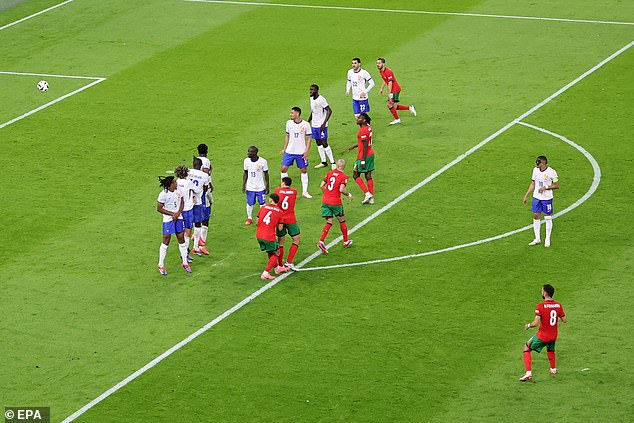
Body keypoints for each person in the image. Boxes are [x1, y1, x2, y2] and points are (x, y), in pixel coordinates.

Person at [520, 284, 567, 381]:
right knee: (550, 350)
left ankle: (528, 373)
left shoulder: (540, 306)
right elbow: (564, 320)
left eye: (542, 291)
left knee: (526, 348)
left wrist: (528, 325)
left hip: (543, 335)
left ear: (545, 293)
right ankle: (553, 369)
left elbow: (536, 323)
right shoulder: (558, 305)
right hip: (553, 335)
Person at [156, 176, 191, 275]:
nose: (177, 183)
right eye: (175, 182)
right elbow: (159, 208)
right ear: (171, 184)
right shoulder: (163, 195)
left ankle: (185, 262)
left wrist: (178, 213)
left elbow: (182, 202)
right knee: (166, 240)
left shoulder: (178, 190)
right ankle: (161, 264)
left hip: (178, 218)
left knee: (181, 239)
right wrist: (172, 214)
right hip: (168, 219)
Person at [317, 159, 354, 254]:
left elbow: (321, 186)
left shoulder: (329, 173)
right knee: (342, 220)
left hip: (325, 201)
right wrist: (349, 194)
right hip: (335, 202)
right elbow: (341, 189)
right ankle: (346, 241)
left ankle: (321, 241)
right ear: (344, 167)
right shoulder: (344, 176)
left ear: (337, 166)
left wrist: (327, 194)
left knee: (329, 222)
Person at [522, 156, 560, 247]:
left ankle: (547, 238)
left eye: (538, 163)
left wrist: (546, 187)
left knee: (547, 217)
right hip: (536, 197)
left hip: (547, 198)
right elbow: (533, 183)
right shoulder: (535, 170)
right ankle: (537, 238)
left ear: (543, 163)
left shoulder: (552, 172)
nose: (536, 165)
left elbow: (557, 185)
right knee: (536, 215)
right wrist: (526, 195)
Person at [280, 106, 312, 198]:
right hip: (290, 151)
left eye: (292, 113)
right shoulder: (288, 123)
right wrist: (284, 148)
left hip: (301, 152)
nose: (290, 114)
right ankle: (283, 188)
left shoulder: (306, 124)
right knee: (283, 169)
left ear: (297, 114)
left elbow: (309, 138)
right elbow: (287, 135)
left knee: (303, 170)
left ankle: (305, 192)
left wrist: (306, 151)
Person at [255, 193, 289, 280]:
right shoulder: (280, 212)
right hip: (269, 236)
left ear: (270, 200)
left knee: (271, 251)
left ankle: (277, 268)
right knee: (277, 252)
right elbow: (280, 228)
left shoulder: (263, 208)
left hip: (259, 235)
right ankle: (265, 273)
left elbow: (257, 222)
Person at [376, 58, 417, 125]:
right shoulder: (381, 71)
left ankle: (397, 119)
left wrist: (389, 93)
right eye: (377, 63)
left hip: (395, 90)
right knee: (394, 106)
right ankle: (410, 108)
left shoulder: (388, 71)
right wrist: (381, 88)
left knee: (390, 104)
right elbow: (384, 79)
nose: (378, 64)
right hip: (393, 90)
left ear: (383, 64)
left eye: (379, 63)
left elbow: (390, 83)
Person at [347, 112, 375, 205]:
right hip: (370, 154)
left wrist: (362, 159)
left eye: (360, 118)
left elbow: (365, 143)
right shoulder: (368, 127)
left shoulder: (362, 130)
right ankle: (371, 197)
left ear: (364, 120)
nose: (357, 119)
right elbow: (365, 141)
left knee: (355, 175)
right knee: (368, 175)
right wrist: (355, 146)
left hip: (364, 155)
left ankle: (367, 194)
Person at [274, 177, 300, 271]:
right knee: (296, 239)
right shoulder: (294, 191)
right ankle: (289, 262)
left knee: (280, 241)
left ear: (283, 183)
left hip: (280, 219)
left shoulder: (277, 190)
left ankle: (280, 264)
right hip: (291, 218)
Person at [308, 84, 335, 170]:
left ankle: (332, 162)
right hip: (314, 125)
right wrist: (308, 121)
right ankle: (323, 162)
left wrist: (324, 123)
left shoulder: (321, 99)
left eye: (312, 90)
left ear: (316, 90)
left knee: (324, 143)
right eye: (310, 90)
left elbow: (329, 111)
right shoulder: (311, 98)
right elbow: (313, 111)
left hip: (321, 126)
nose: (310, 91)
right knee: (318, 143)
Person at [188, 157, 211, 255]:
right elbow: (206, 189)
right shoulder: (204, 175)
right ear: (201, 166)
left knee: (188, 226)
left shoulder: (188, 172)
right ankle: (196, 247)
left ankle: (186, 251)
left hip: (187, 201)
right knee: (198, 224)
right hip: (198, 201)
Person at [243, 146, 269, 225]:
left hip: (260, 187)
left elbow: (266, 174)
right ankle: (249, 218)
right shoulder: (246, 161)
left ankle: (262, 217)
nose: (249, 153)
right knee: (250, 203)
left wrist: (267, 186)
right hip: (250, 187)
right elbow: (245, 173)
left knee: (262, 203)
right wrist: (243, 185)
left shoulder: (263, 161)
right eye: (248, 151)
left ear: (255, 153)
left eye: (251, 152)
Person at [175, 165, 196, 263]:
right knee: (188, 232)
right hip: (187, 208)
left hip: (179, 209)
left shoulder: (176, 182)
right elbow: (197, 190)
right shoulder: (188, 182)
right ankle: (185, 254)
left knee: (181, 232)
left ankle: (184, 253)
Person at [196, 143, 214, 250]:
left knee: (198, 216)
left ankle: (196, 237)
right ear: (207, 150)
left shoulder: (196, 160)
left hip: (196, 191)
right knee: (206, 218)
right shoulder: (205, 161)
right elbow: (206, 174)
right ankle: (202, 243)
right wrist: (210, 185)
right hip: (204, 191)